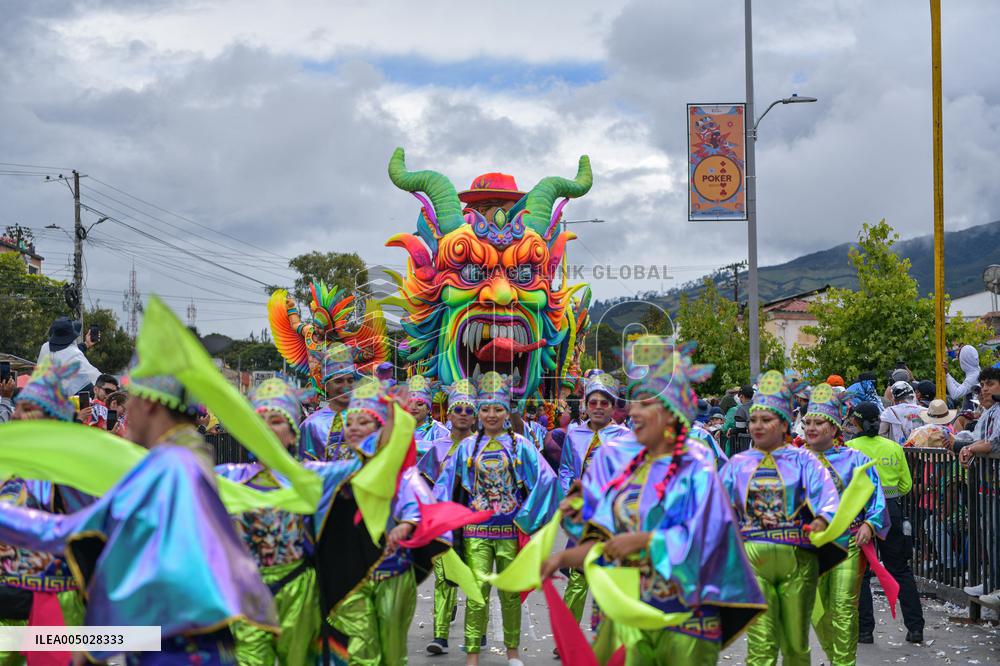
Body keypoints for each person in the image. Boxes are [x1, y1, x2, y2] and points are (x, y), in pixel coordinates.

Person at [0, 355, 280, 663]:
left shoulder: (170, 469)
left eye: (130, 399)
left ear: (149, 404)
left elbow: (79, 531)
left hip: (175, 648)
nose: (123, 410)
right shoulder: (182, 463)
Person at [543, 338, 765, 664]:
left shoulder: (697, 467)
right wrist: (561, 557)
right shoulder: (620, 463)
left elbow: (708, 538)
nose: (632, 411)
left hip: (685, 618)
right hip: (630, 615)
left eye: (644, 403)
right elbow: (606, 537)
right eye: (633, 403)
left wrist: (645, 540)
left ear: (671, 412)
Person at [434, 371, 559, 666]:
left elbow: (548, 481)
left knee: (510, 595)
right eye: (486, 409)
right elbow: (443, 487)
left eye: (498, 409)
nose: (491, 415)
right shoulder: (466, 448)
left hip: (509, 532)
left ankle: (513, 653)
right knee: (476, 595)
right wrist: (442, 521)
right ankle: (473, 656)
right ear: (479, 412)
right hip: (476, 533)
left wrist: (525, 519)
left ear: (507, 412)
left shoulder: (522, 446)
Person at [718, 370, 841, 666]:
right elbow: (716, 506)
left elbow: (827, 496)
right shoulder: (738, 464)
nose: (758, 426)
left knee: (796, 646)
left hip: (798, 561)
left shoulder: (803, 460)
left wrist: (823, 520)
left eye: (766, 419)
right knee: (760, 647)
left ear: (784, 423)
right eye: (754, 420)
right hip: (752, 562)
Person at [331, 378, 448, 666]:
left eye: (364, 422)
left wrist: (406, 525)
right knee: (360, 650)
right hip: (351, 577)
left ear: (380, 430)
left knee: (392, 652)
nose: (355, 427)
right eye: (350, 422)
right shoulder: (335, 473)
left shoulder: (402, 473)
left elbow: (419, 505)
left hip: (392, 573)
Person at [0, 360, 88, 663]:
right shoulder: (7, 461)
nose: (16, 414)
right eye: (18, 406)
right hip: (5, 599)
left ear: (50, 419)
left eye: (27, 409)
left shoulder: (72, 474)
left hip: (54, 598)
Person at [802, 384, 889, 666]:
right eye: (807, 423)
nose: (811, 428)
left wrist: (871, 525)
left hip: (848, 542)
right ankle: (835, 656)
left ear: (833, 426)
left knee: (843, 607)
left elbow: (876, 498)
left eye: (818, 422)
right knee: (817, 612)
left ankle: (844, 662)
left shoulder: (856, 460)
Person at [557, 371, 631, 624]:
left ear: (613, 406)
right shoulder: (575, 434)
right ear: (586, 406)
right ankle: (568, 636)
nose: (598, 408)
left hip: (612, 519)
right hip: (583, 517)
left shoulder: (625, 437)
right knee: (578, 577)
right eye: (593, 403)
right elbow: (566, 469)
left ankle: (607, 638)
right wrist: (569, 496)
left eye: (604, 403)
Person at [848, 401, 925, 644]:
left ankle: (864, 632)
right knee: (900, 570)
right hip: (891, 513)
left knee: (860, 575)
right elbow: (907, 486)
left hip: (859, 516)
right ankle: (915, 629)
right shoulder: (894, 448)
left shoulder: (848, 449)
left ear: (855, 421)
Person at [420, 379, 479, 656]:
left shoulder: (485, 448)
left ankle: (476, 633)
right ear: (449, 414)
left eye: (469, 410)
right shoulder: (437, 448)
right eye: (458, 410)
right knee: (444, 579)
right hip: (445, 524)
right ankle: (440, 636)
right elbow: (421, 483)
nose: (464, 414)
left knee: (477, 578)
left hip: (478, 523)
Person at [298, 343, 356, 461]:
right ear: (326, 386)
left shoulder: (367, 419)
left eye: (350, 381)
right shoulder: (310, 425)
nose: (346, 386)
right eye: (339, 381)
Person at [35, 316, 100, 394]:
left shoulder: (45, 347)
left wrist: (86, 344)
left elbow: (65, 355)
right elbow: (94, 376)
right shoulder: (74, 353)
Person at [958, 366, 1000, 464]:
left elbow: (995, 443)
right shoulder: (993, 410)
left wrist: (969, 449)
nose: (984, 389)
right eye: (982, 385)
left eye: (990, 384)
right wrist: (967, 448)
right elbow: (986, 440)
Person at [407, 374, 450, 456]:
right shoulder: (400, 429)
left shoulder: (439, 431)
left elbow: (443, 449)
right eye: (409, 404)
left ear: (428, 409)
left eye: (419, 404)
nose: (413, 408)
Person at [722, 384, 754, 452]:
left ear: (741, 396)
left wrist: (731, 431)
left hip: (749, 444)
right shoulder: (759, 406)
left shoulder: (742, 409)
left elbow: (740, 428)